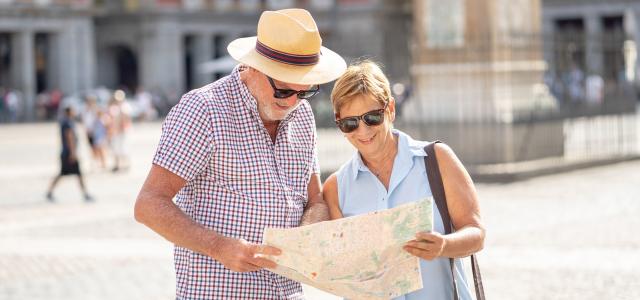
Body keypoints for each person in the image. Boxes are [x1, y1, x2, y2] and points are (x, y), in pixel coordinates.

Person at [134, 8, 346, 299]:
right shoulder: (204, 109)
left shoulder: (303, 115)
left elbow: (315, 200)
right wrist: (218, 247)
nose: (294, 102)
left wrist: (305, 237)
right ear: (254, 67)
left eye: (305, 92)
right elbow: (148, 204)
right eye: (284, 90)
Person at [323, 61, 485, 300]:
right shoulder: (336, 189)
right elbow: (342, 270)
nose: (363, 131)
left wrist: (444, 246)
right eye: (350, 123)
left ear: (390, 109)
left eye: (372, 118)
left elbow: (476, 233)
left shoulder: (437, 160)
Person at [46, 106, 94, 202]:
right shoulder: (68, 123)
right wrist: (73, 153)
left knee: (68, 174)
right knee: (75, 174)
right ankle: (85, 194)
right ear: (70, 112)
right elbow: (70, 138)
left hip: (66, 152)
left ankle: (50, 192)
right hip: (69, 153)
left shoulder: (64, 122)